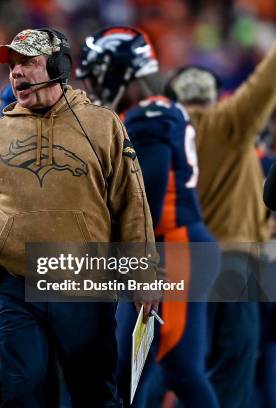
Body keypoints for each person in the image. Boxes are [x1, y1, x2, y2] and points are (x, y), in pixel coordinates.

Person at [0, 28, 159, 407]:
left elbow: (132, 204)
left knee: (93, 393)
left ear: (60, 65)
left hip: (82, 281)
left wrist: (142, 271)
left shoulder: (103, 124)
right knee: (22, 396)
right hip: (13, 283)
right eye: (12, 66)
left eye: (27, 62)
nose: (16, 73)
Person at [77, 26, 220, 407]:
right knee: (152, 368)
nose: (91, 84)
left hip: (173, 247)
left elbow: (147, 200)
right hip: (173, 246)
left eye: (95, 75)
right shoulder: (153, 112)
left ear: (117, 71)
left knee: (164, 368)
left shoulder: (150, 116)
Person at [164, 43, 276, 407]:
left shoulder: (158, 135)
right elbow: (265, 81)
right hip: (235, 265)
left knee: (184, 372)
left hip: (180, 266)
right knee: (236, 371)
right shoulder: (229, 124)